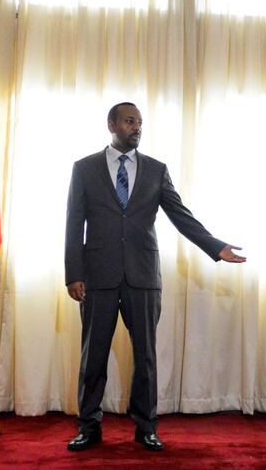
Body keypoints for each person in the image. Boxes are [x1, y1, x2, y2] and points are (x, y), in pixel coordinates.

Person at [64, 102, 246, 452]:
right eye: (130, 121)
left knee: (145, 356)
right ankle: (89, 427)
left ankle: (146, 427)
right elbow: (74, 223)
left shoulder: (156, 170)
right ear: (112, 124)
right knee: (93, 355)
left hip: (143, 276)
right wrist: (74, 274)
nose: (136, 127)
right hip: (97, 276)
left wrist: (215, 247)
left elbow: (181, 215)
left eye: (140, 123)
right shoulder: (84, 168)